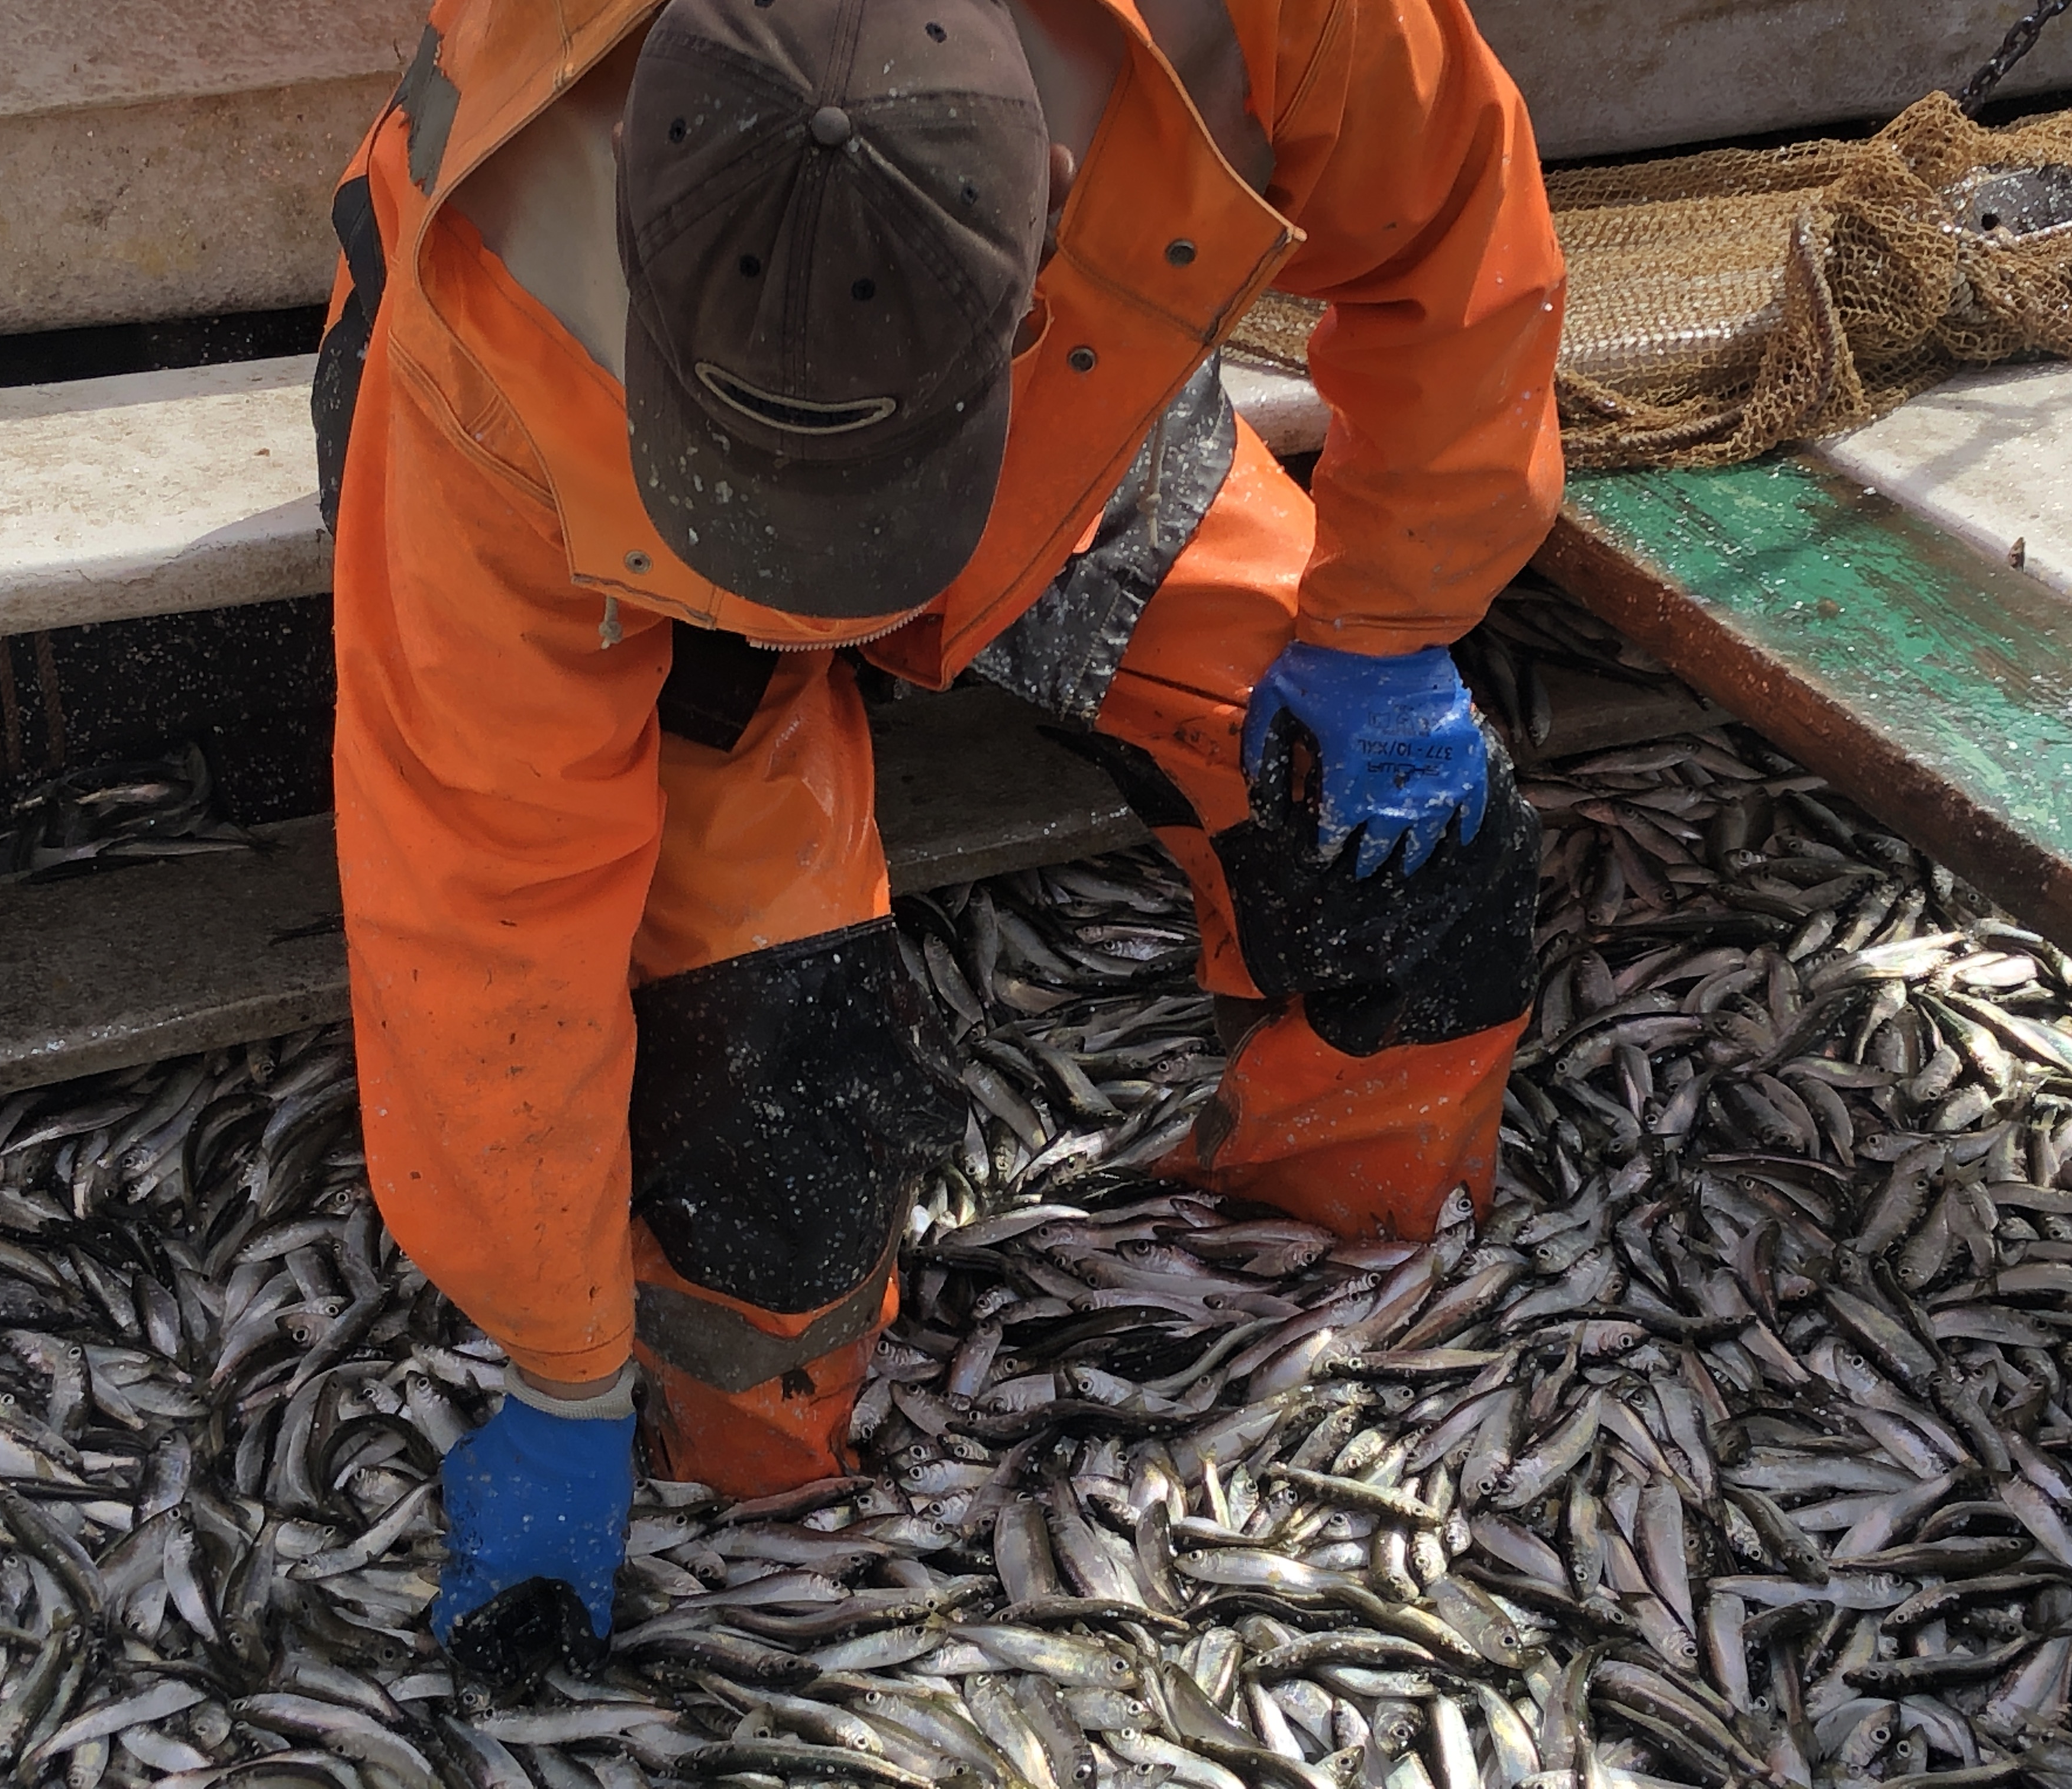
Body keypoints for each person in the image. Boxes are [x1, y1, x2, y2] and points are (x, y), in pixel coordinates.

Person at [314, 0, 1563, 1674]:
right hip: (617, 518)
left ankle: (1350, 1266)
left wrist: (1389, 627)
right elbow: (481, 913)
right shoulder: (497, 354)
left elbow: (1454, 240)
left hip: (1062, 414)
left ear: (1046, 207)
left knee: (1410, 872)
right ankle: (755, 1466)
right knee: (767, 1112)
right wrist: (560, 1370)